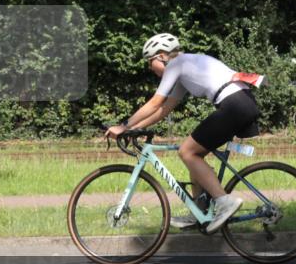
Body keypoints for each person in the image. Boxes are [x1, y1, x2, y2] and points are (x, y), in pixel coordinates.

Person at [103, 33, 260, 232]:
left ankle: (224, 201)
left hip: (234, 105)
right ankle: (199, 211)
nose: (150, 68)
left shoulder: (176, 64)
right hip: (240, 102)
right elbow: (163, 109)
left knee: (187, 152)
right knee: (195, 154)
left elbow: (155, 102)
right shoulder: (186, 67)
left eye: (150, 62)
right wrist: (134, 129)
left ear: (161, 56)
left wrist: (124, 126)